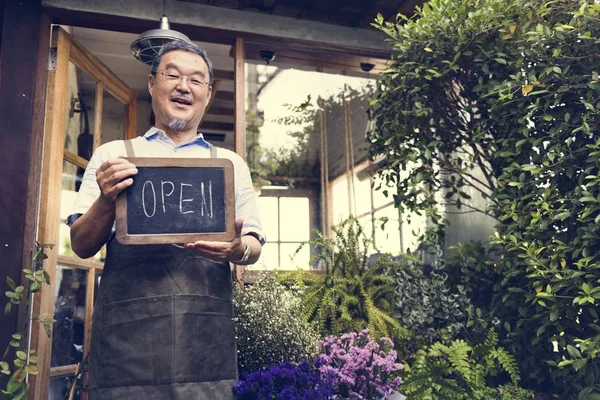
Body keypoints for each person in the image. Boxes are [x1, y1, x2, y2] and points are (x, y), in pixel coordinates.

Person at [68, 40, 264, 399]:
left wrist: (237, 249)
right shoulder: (114, 155)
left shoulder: (230, 164)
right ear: (152, 83)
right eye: (172, 75)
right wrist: (107, 199)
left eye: (196, 80)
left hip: (203, 339)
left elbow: (253, 245)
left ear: (207, 93)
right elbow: (81, 245)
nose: (183, 86)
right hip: (128, 343)